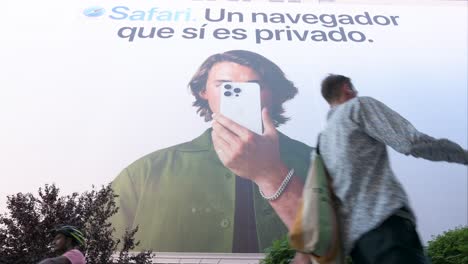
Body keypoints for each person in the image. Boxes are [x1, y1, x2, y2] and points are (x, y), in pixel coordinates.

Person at [110, 50, 313, 261]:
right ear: (203, 92)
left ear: (275, 93)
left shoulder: (318, 161)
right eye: (224, 85)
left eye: (255, 86)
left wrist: (270, 172)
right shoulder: (144, 173)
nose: (239, 93)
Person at [319, 74, 468, 263]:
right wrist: (464, 156)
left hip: (357, 245)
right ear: (347, 88)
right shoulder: (357, 106)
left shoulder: (323, 139)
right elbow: (410, 142)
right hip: (384, 225)